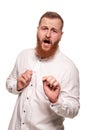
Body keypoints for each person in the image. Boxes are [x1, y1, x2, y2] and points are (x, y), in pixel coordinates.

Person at [6, 11, 80, 130]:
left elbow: (74, 110)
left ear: (61, 35)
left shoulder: (69, 68)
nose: (48, 34)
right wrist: (17, 85)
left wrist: (56, 100)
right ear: (38, 30)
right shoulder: (23, 55)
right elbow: (9, 82)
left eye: (54, 30)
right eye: (44, 28)